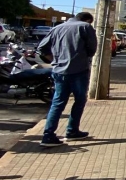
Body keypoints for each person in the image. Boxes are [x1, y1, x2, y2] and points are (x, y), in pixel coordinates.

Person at [37, 12, 98, 147]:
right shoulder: (85, 27)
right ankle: (72, 130)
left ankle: (48, 135)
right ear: (88, 20)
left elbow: (41, 48)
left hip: (59, 71)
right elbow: (92, 49)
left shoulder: (56, 28)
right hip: (79, 70)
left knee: (57, 103)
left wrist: (55, 61)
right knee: (80, 100)